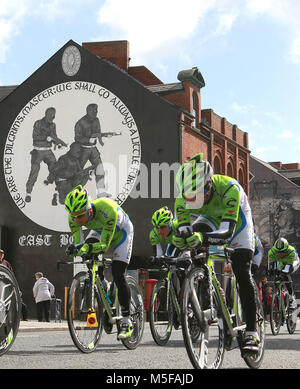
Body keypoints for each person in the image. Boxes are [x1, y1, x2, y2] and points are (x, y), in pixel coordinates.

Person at [173, 153, 259, 353]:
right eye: (187, 195)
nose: (191, 200)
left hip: (237, 222)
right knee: (194, 247)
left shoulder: (230, 188)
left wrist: (202, 238)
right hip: (210, 218)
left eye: (195, 194)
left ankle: (252, 332)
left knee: (241, 268)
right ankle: (210, 296)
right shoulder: (184, 197)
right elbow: (185, 231)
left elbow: (226, 233)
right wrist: (182, 238)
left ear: (208, 185)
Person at [64, 185, 134, 340]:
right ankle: (103, 287)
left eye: (79, 216)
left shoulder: (107, 208)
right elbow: (79, 243)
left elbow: (104, 246)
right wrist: (75, 248)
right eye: (73, 216)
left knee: (118, 272)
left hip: (121, 233)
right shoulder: (74, 216)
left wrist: (87, 247)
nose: (76, 220)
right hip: (100, 230)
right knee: (90, 261)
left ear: (89, 210)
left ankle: (126, 320)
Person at [268, 237, 300, 308]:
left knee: (286, 273)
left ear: (287, 249)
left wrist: (283, 273)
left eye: (282, 252)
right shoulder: (271, 252)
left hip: (293, 262)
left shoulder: (291, 251)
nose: (280, 254)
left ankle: (292, 297)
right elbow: (272, 266)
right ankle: (277, 293)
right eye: (278, 252)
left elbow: (287, 268)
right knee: (276, 273)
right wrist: (272, 272)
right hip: (282, 262)